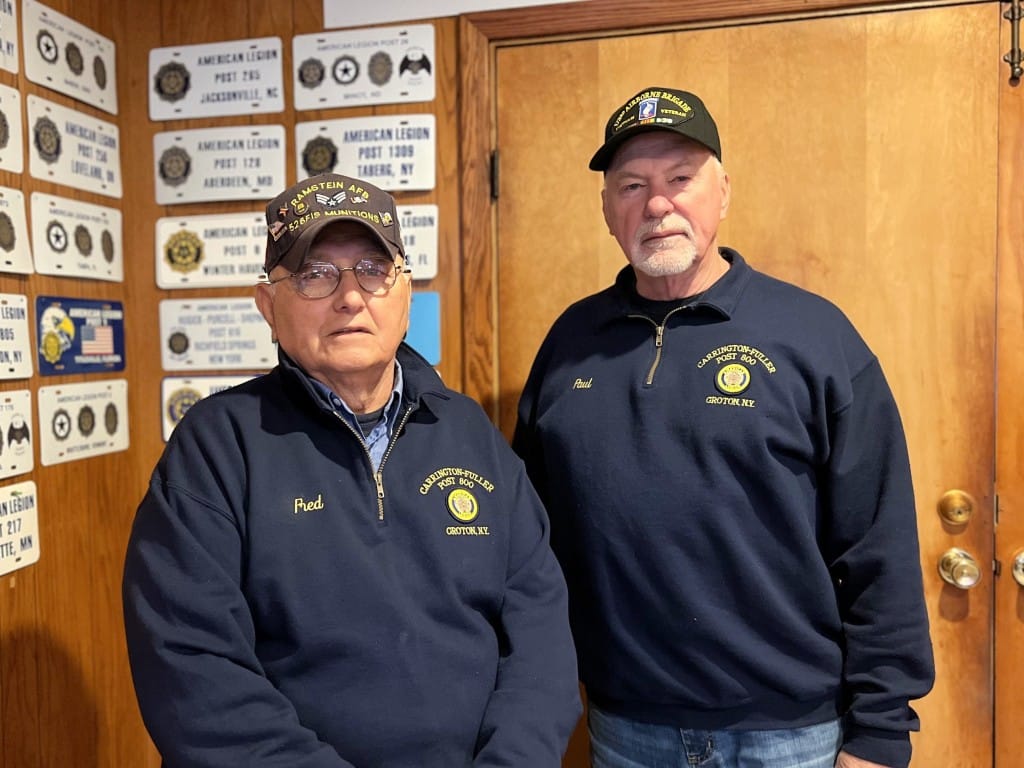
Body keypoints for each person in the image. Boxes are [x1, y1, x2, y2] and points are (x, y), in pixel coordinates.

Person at [512, 87, 934, 768]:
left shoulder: (813, 337)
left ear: (722, 191)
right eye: (631, 185)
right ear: (606, 209)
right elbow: (526, 543)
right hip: (624, 726)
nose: (657, 204)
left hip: (792, 735)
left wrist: (881, 732)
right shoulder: (570, 345)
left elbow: (876, 541)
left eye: (680, 179)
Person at [123, 172, 581, 767]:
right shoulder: (215, 449)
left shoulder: (471, 436)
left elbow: (539, 636)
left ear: (405, 292)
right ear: (268, 305)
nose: (350, 296)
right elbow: (192, 675)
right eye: (314, 274)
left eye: (372, 269)